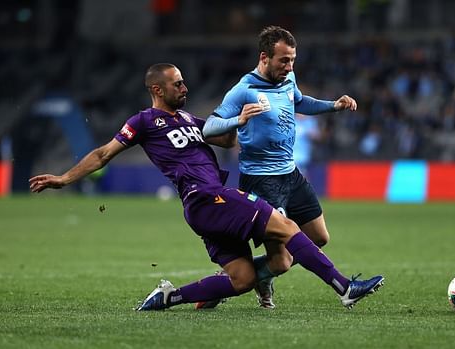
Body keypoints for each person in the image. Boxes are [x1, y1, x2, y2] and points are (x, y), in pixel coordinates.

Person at [29, 63, 384, 311]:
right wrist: (63, 178)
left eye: (183, 82)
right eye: (177, 83)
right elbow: (104, 153)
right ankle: (344, 287)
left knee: (242, 279)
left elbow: (225, 139)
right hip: (206, 197)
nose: (184, 88)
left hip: (206, 205)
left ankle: (168, 298)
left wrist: (241, 119)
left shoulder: (188, 119)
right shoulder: (144, 121)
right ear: (157, 89)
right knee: (286, 227)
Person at [203, 26, 359, 308]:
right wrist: (237, 121)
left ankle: (259, 275)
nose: (289, 66)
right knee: (283, 261)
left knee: (319, 237)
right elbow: (209, 127)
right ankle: (233, 281)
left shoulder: (289, 80)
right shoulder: (244, 90)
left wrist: (332, 106)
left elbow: (299, 102)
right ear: (264, 57)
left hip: (291, 174)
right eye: (283, 60)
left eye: (292, 60)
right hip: (261, 180)